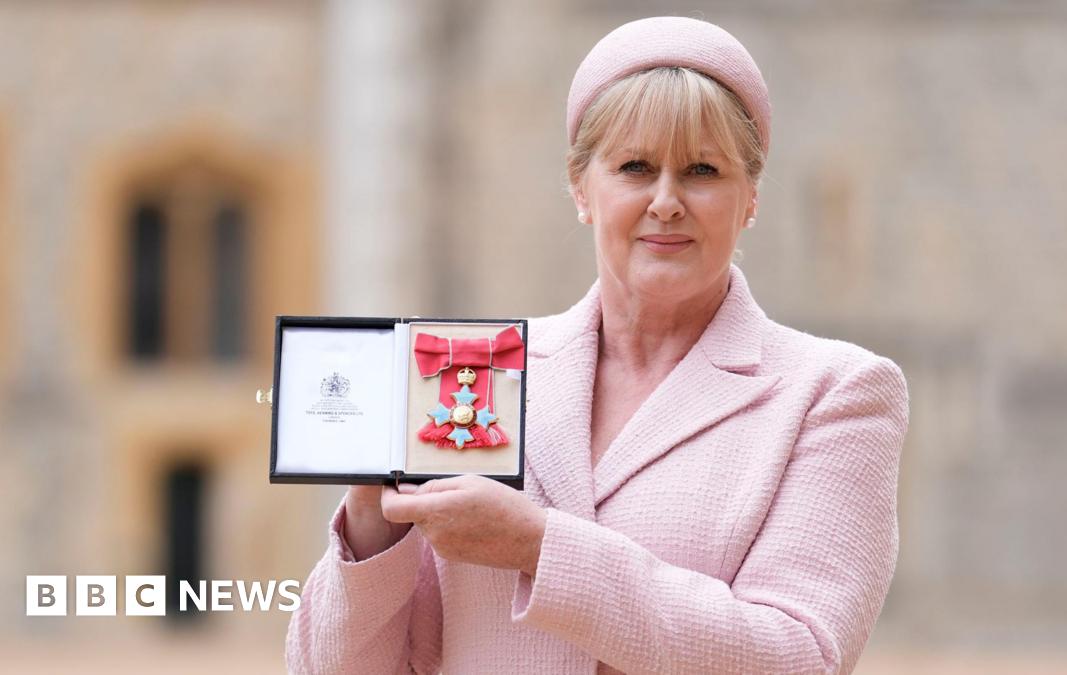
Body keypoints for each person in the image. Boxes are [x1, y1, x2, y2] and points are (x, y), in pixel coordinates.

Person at [286, 16, 908, 675]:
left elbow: (800, 658)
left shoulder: (835, 394)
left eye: (702, 170)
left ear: (750, 196)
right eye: (635, 167)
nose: (666, 201)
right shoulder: (479, 372)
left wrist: (538, 545)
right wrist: (370, 518)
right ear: (582, 188)